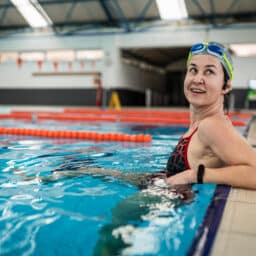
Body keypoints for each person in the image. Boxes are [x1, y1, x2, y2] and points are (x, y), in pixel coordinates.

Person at [165, 42, 256, 189]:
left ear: (226, 86)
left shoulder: (212, 126)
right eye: (193, 70)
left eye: (209, 72)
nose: (197, 79)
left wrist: (194, 175)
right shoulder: (201, 123)